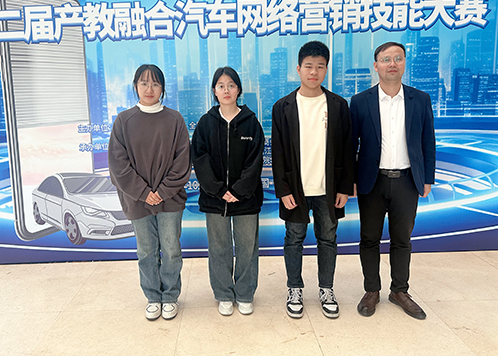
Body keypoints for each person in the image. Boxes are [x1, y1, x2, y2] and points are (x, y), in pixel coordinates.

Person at [350, 41, 436, 320]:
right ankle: (371, 290)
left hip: (407, 181)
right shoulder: (360, 101)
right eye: (386, 59)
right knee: (369, 238)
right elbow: (350, 144)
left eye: (398, 58)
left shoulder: (419, 99)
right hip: (371, 181)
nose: (392, 64)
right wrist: (350, 180)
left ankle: (399, 291)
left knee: (402, 239)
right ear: (376, 66)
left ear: (404, 63)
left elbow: (428, 141)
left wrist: (428, 178)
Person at [272, 41, 354, 319]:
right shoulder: (283, 106)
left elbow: (347, 148)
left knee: (327, 239)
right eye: (308, 66)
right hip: (295, 188)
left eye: (320, 66)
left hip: (327, 189)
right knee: (294, 239)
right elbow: (278, 152)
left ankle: (326, 289)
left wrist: (344, 187)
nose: (314, 72)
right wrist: (283, 190)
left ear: (326, 70)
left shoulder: (338, 105)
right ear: (298, 69)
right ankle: (294, 288)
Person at [108, 64, 191, 321]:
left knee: (171, 249)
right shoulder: (124, 121)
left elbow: (182, 161)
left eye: (155, 83)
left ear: (162, 89)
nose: (149, 89)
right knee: (146, 251)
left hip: (170, 199)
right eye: (144, 83)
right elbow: (118, 165)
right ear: (135, 86)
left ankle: (170, 296)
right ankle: (153, 297)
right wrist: (144, 193)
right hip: (137, 201)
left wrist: (162, 191)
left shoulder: (174, 120)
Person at [191, 66, 264, 316]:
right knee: (219, 248)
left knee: (247, 248)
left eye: (231, 85)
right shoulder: (206, 123)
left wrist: (239, 190)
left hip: (246, 198)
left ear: (238, 90)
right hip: (215, 199)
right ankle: (223, 293)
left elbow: (255, 161)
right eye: (221, 86)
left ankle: (244, 293)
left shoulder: (251, 122)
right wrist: (219, 190)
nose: (226, 90)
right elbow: (199, 159)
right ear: (214, 91)